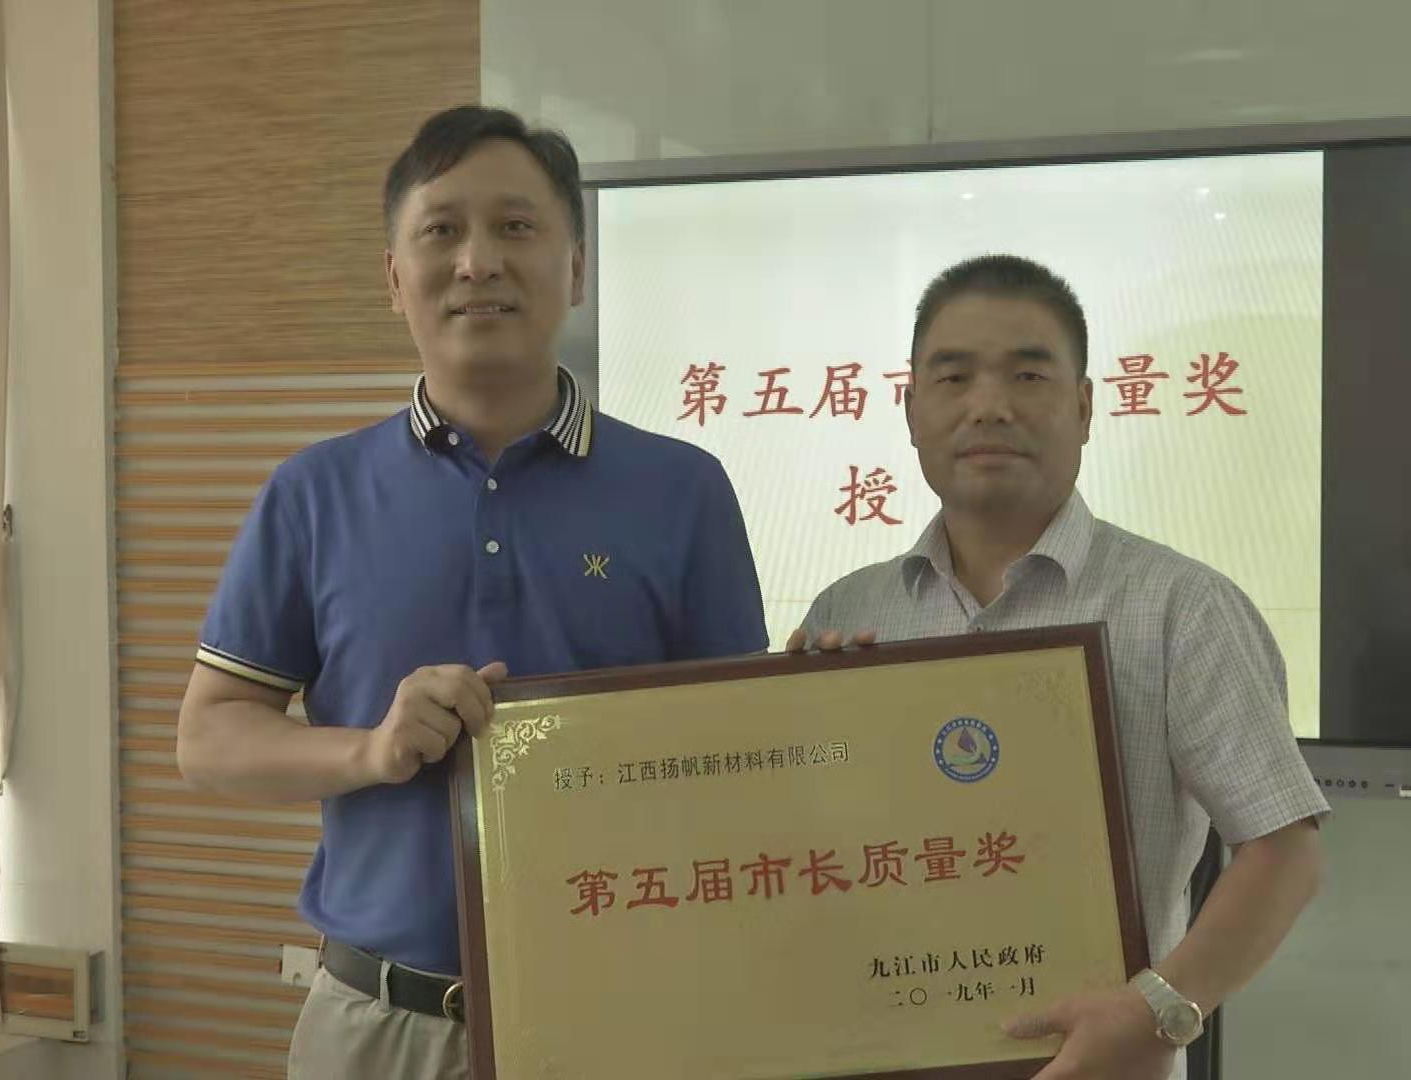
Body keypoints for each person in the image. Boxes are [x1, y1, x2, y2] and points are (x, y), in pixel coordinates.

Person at [176, 105, 767, 1080]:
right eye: (442, 230)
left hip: (620, 1015)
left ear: (576, 270)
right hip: (377, 1024)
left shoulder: (684, 490)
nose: (478, 261)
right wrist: (371, 750)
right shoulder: (314, 493)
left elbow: (742, 755)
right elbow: (209, 739)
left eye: (516, 227)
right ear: (393, 277)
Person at [787, 254, 1326, 1080]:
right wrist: (791, 747)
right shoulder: (847, 613)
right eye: (954, 377)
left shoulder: (1182, 606)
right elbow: (809, 855)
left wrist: (1155, 1011)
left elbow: (1284, 853)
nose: (989, 406)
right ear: (910, 409)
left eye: (1028, 375)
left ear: (1083, 407)